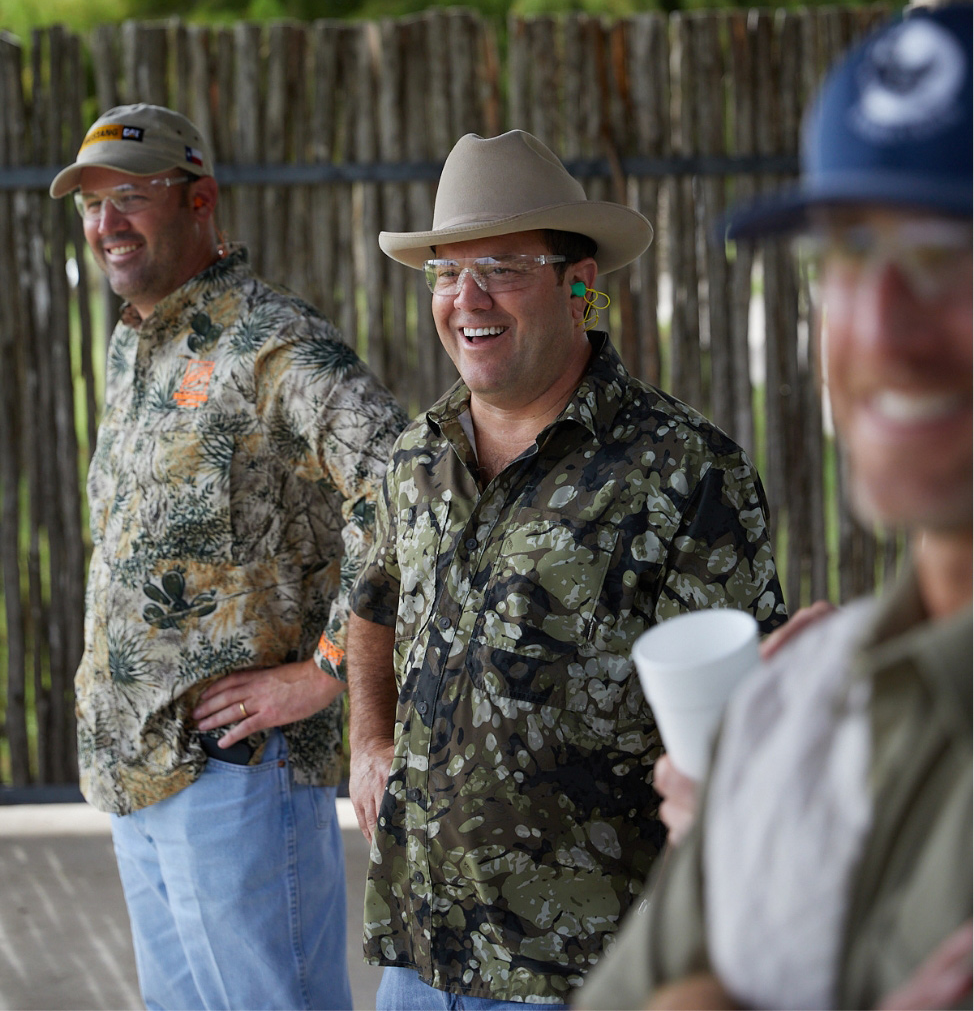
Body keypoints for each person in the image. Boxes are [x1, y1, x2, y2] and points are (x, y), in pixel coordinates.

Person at [576, 2, 973, 1011]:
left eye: (946, 251)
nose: (880, 326)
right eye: (845, 252)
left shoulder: (679, 456)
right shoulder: (799, 702)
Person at [346, 128, 787, 1010]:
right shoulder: (414, 457)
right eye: (445, 272)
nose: (467, 298)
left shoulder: (685, 471)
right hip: (417, 958)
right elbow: (369, 602)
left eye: (503, 267)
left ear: (579, 285)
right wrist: (368, 742)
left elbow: (745, 726)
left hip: (586, 968)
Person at [50, 103, 408, 1011]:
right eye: (90, 205)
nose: (105, 223)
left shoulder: (270, 342)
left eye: (131, 197)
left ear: (200, 200)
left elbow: (409, 487)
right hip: (140, 776)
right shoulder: (137, 342)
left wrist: (325, 672)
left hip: (238, 777)